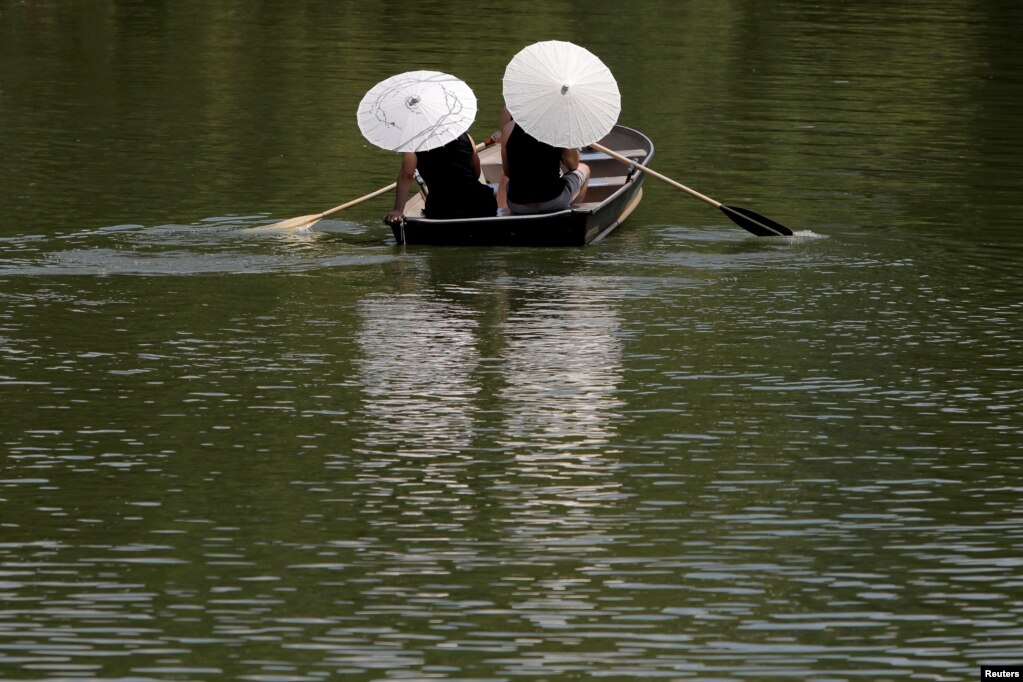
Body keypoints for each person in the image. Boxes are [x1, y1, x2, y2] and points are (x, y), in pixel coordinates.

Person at [383, 132, 497, 226]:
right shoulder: (465, 136)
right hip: (480, 204)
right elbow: (476, 173)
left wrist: (398, 210)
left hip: (440, 209)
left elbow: (407, 176)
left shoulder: (413, 144)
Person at [499, 116, 590, 215]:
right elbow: (573, 164)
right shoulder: (559, 126)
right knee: (584, 168)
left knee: (507, 180)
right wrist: (572, 144)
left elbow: (507, 171)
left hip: (516, 204)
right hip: (553, 200)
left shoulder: (508, 128)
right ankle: (569, 216)